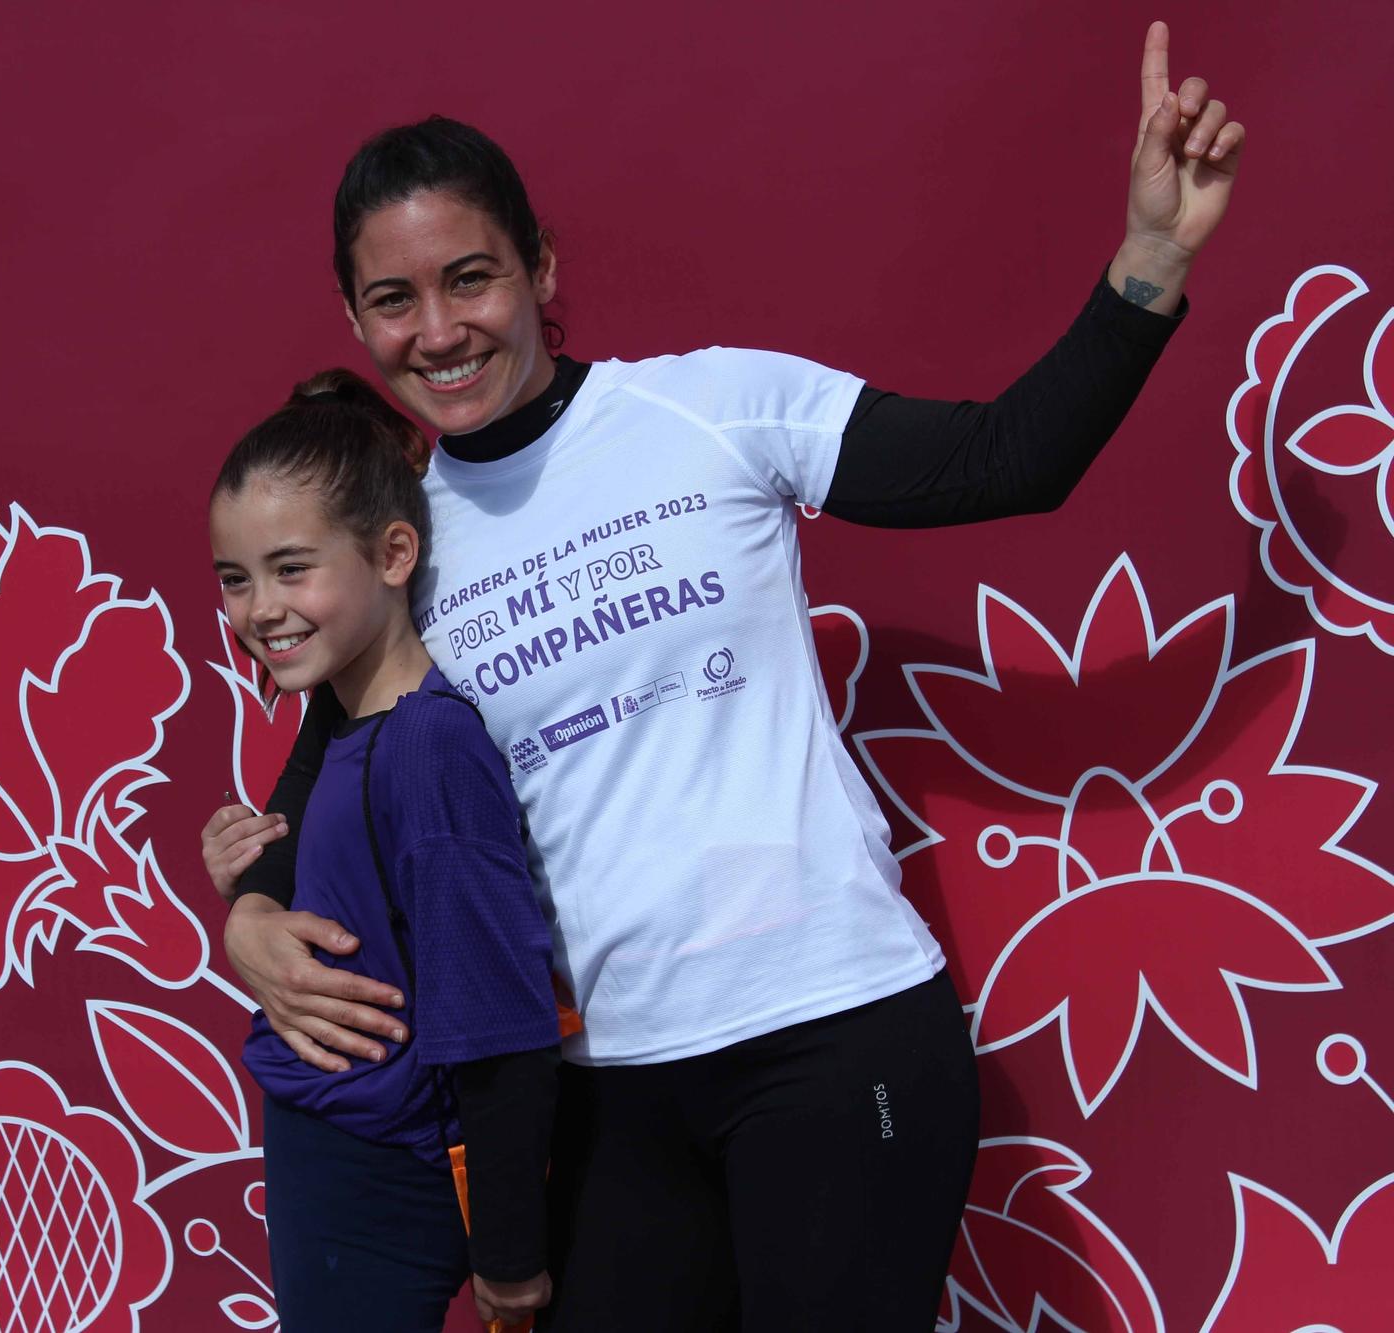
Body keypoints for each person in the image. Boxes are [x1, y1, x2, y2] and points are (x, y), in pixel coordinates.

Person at [202, 22, 1244, 1330]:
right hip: (607, 1092)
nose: (439, 329)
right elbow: (321, 801)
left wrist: (1152, 257)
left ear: (539, 267)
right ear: (355, 318)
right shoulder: (396, 538)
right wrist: (249, 916)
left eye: (470, 277)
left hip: (834, 1032)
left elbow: (1003, 462)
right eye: (394, 300)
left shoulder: (713, 410)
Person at [209, 369, 565, 1331]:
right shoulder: (352, 726)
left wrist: (509, 1252)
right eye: (235, 579)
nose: (260, 609)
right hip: (328, 1146)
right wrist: (251, 891)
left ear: (395, 552)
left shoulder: (427, 747)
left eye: (292, 568)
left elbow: (499, 1024)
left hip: (382, 1167)